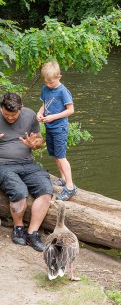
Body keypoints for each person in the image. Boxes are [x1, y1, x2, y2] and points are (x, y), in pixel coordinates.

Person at [0, 92, 53, 252]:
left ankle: (32, 233)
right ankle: (18, 228)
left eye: (13, 115)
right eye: (6, 114)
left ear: (21, 109)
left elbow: (39, 142)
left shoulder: (30, 115)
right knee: (19, 190)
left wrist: (34, 144)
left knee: (45, 190)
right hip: (2, 164)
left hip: (27, 163)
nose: (10, 118)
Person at [36, 61, 77, 201]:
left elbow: (70, 110)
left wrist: (53, 117)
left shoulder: (63, 91)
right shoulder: (45, 88)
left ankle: (70, 187)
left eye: (51, 82)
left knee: (61, 156)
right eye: (46, 82)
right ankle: (63, 178)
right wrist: (39, 113)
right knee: (54, 155)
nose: (48, 85)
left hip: (59, 128)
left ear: (59, 76)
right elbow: (44, 104)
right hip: (49, 127)